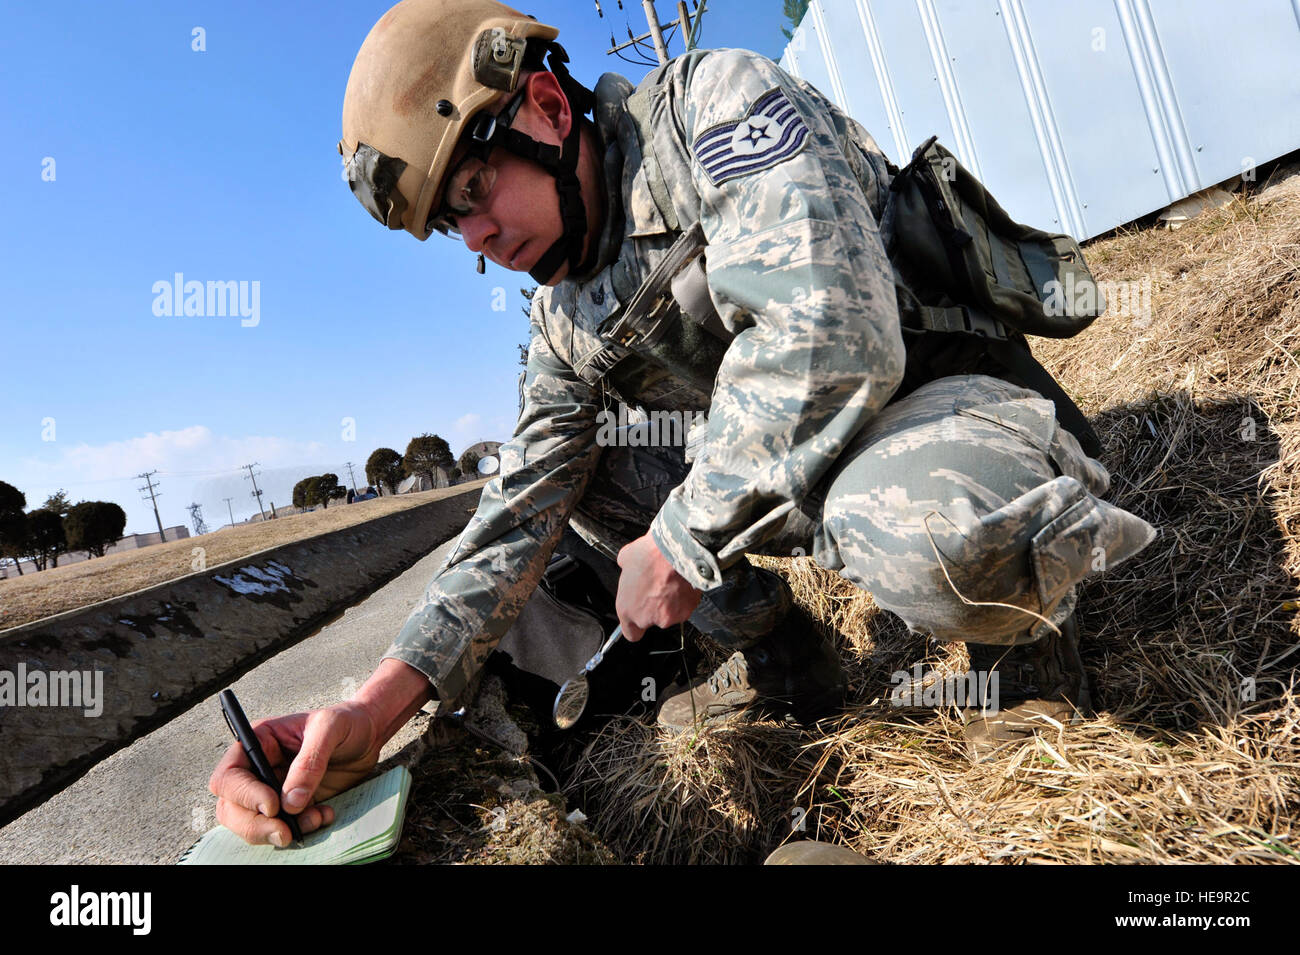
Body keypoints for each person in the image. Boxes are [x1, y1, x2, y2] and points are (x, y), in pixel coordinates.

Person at [209, 0, 1157, 847]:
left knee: (925, 535)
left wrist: (683, 535)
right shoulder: (563, 314)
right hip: (796, 465)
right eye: (451, 229)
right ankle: (790, 662)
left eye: (471, 189)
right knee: (587, 486)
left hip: (929, 394)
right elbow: (515, 512)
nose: (480, 239)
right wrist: (373, 707)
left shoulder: (717, 105)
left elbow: (835, 331)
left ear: (543, 107)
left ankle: (1027, 650)